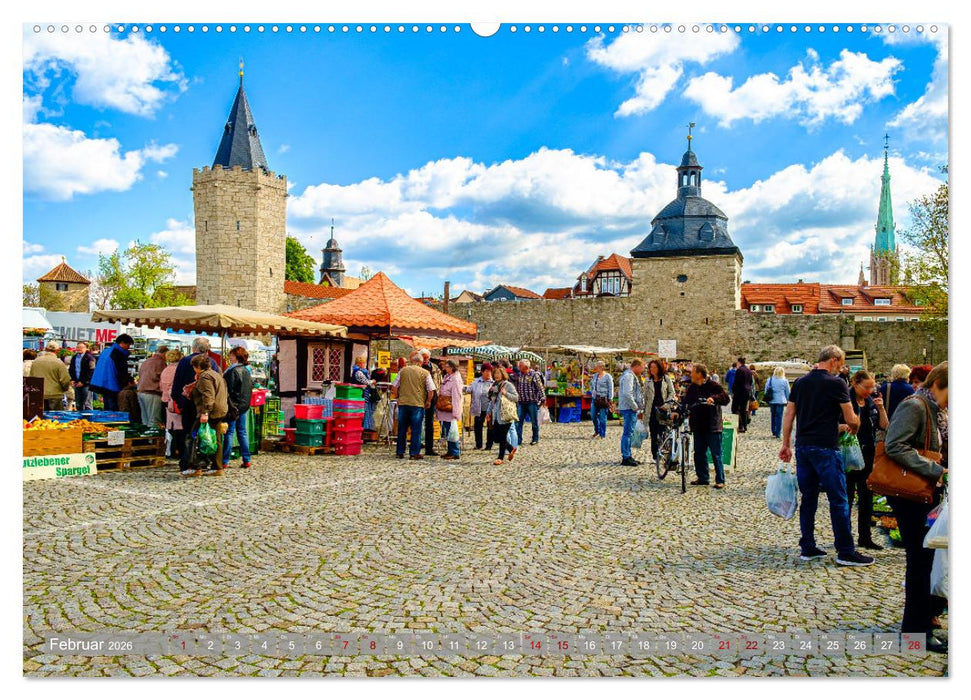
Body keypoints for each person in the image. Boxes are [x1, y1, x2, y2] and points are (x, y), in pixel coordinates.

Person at [779, 345, 873, 567]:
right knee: (838, 499)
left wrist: (785, 444)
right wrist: (856, 425)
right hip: (826, 447)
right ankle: (845, 550)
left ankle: (808, 546)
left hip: (803, 447)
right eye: (840, 365)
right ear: (833, 360)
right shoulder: (837, 383)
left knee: (808, 498)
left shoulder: (800, 383)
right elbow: (851, 419)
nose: (841, 370)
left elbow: (789, 414)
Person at [883, 361, 948, 654]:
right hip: (911, 493)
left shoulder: (933, 408)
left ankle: (924, 621)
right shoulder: (916, 405)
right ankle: (915, 630)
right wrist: (935, 469)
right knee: (920, 561)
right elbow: (895, 445)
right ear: (940, 384)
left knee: (927, 560)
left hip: (924, 491)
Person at [843, 370, 889, 550]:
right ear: (855, 383)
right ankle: (845, 538)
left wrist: (881, 408)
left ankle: (865, 537)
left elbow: (884, 426)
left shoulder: (870, 401)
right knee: (846, 496)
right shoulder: (845, 399)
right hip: (848, 452)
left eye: (873, 387)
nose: (870, 390)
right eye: (867, 387)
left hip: (868, 453)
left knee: (866, 497)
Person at [172, 338, 219, 475]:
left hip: (189, 406)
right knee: (204, 434)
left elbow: (176, 387)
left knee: (190, 434)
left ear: (193, 348)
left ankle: (190, 464)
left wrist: (180, 403)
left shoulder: (184, 362)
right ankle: (204, 462)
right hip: (206, 407)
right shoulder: (213, 363)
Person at [680, 364, 730, 488]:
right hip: (698, 425)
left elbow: (725, 398)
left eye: (692, 372)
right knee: (699, 453)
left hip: (712, 425)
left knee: (716, 453)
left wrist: (713, 399)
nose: (690, 375)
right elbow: (686, 402)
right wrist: (678, 411)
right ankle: (703, 477)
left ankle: (720, 480)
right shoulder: (692, 388)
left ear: (699, 374)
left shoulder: (714, 386)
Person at [190, 353, 230, 476]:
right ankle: (217, 467)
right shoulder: (216, 374)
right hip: (220, 410)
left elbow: (208, 396)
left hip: (211, 412)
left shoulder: (205, 377)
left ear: (197, 366)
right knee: (215, 439)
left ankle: (196, 467)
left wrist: (205, 413)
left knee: (195, 437)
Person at [393, 352, 435, 460]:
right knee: (416, 429)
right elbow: (431, 390)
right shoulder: (425, 373)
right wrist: (428, 401)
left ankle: (400, 452)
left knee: (402, 429)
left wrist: (398, 397)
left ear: (411, 361)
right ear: (420, 362)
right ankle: (414, 453)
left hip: (403, 403)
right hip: (417, 404)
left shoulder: (403, 371)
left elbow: (394, 386)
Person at [222, 346, 255, 470]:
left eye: (231, 355)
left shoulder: (232, 371)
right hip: (243, 406)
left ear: (236, 356)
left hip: (232, 406)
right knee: (242, 432)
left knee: (229, 433)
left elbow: (228, 389)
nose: (229, 357)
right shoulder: (246, 370)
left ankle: (224, 460)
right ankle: (247, 459)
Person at [89, 333, 134, 411]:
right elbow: (121, 371)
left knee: (107, 406)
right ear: (122, 343)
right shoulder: (118, 354)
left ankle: (106, 421)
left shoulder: (106, 351)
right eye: (128, 345)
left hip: (101, 383)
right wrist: (128, 382)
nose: (128, 347)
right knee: (113, 409)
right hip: (111, 384)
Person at [486, 366, 520, 465]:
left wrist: (506, 394)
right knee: (497, 437)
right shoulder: (494, 385)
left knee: (502, 436)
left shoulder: (508, 385)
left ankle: (500, 458)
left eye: (498, 373)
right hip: (496, 415)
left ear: (503, 374)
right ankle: (510, 448)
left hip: (506, 415)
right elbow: (492, 401)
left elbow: (516, 398)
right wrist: (488, 412)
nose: (496, 375)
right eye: (495, 373)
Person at [643, 359, 674, 459]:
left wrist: (666, 405)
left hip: (663, 409)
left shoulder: (666, 379)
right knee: (653, 433)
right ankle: (655, 454)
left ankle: (663, 451)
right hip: (651, 410)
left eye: (654, 367)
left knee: (662, 432)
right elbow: (645, 396)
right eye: (650, 367)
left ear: (659, 368)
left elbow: (672, 393)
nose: (652, 369)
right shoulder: (648, 381)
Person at [617, 358, 645, 466]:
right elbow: (627, 393)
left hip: (629, 407)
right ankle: (626, 457)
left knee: (629, 432)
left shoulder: (629, 375)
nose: (643, 370)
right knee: (628, 433)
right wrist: (634, 406)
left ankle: (628, 455)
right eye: (642, 367)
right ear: (637, 366)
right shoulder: (629, 376)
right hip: (629, 408)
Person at [30, 342, 73, 412]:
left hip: (39, 394)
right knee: (56, 419)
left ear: (45, 349)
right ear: (57, 351)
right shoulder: (59, 363)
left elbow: (31, 378)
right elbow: (65, 379)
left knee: (39, 420)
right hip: (55, 395)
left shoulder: (36, 362)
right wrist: (64, 389)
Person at [511, 360, 546, 446]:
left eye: (520, 366)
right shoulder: (518, 375)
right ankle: (518, 440)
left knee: (534, 422)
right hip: (521, 402)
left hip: (532, 402)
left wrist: (543, 398)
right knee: (518, 422)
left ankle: (535, 438)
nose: (518, 367)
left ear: (526, 367)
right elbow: (510, 378)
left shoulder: (534, 375)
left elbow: (540, 387)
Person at [436, 359, 464, 460]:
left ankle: (455, 451)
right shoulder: (448, 377)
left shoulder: (455, 379)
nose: (445, 368)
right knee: (448, 430)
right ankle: (450, 451)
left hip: (450, 408)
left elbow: (457, 396)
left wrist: (456, 412)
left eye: (447, 366)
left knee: (452, 431)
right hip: (446, 409)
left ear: (452, 367)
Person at [159, 349, 184, 461]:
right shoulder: (178, 370)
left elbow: (161, 386)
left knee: (170, 427)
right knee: (179, 427)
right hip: (174, 402)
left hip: (165, 400)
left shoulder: (165, 370)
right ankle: (176, 449)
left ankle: (170, 449)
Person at [136, 345, 168, 427]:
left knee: (145, 421)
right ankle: (152, 439)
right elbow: (164, 379)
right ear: (165, 354)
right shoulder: (161, 362)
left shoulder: (147, 361)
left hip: (141, 392)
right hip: (152, 393)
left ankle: (146, 439)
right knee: (154, 421)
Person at [419, 348, 443, 456]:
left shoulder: (435, 368)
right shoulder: (417, 367)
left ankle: (429, 448)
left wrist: (438, 394)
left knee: (429, 424)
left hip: (432, 398)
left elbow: (439, 381)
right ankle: (417, 446)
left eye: (427, 357)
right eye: (423, 357)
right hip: (419, 397)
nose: (425, 359)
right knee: (417, 422)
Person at [466, 362, 495, 450]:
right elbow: (469, 389)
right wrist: (463, 388)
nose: (488, 373)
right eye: (486, 371)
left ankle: (489, 445)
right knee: (478, 427)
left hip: (490, 409)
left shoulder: (494, 382)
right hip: (479, 408)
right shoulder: (476, 381)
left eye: (490, 371)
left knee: (490, 427)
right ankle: (478, 444)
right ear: (482, 371)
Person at [350, 355, 376, 431]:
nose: (364, 365)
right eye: (363, 363)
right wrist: (373, 381)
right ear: (359, 364)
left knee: (363, 412)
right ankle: (361, 430)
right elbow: (366, 382)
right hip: (360, 395)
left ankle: (362, 428)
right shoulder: (358, 372)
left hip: (361, 395)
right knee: (362, 412)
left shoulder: (360, 371)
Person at [589, 360, 614, 440]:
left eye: (597, 366)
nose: (595, 367)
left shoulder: (608, 377)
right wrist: (592, 392)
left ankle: (602, 434)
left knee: (603, 417)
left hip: (604, 399)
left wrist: (610, 398)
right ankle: (597, 430)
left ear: (601, 367)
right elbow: (592, 385)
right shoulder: (595, 376)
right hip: (595, 399)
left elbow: (611, 388)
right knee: (593, 415)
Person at [68, 342, 96, 411]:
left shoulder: (89, 357)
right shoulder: (74, 357)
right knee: (78, 403)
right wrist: (72, 379)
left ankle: (88, 419)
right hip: (77, 383)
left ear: (86, 348)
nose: (79, 349)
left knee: (87, 403)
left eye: (81, 347)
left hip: (86, 384)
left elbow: (91, 371)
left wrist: (83, 382)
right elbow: (71, 369)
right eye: (78, 347)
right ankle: (79, 419)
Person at [765, 367, 791, 438]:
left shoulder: (770, 380)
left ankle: (773, 430)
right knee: (779, 416)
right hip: (781, 400)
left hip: (772, 400)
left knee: (773, 415)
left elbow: (766, 389)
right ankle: (778, 433)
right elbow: (787, 392)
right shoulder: (784, 381)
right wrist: (789, 400)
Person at [730, 357, 754, 433]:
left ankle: (739, 425)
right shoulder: (748, 370)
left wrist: (733, 391)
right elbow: (750, 382)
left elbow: (737, 382)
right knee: (743, 410)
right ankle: (745, 425)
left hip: (739, 392)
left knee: (734, 408)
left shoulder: (740, 370)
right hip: (747, 392)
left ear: (739, 362)